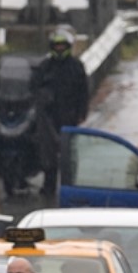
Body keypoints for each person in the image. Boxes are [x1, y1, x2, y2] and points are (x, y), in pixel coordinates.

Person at [32, 28, 91, 198]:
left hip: (70, 116)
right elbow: (34, 88)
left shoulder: (76, 66)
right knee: (48, 154)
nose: (59, 49)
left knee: (69, 153)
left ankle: (69, 185)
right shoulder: (45, 66)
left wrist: (82, 113)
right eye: (56, 46)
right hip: (48, 117)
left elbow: (84, 91)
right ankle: (49, 186)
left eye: (62, 46)